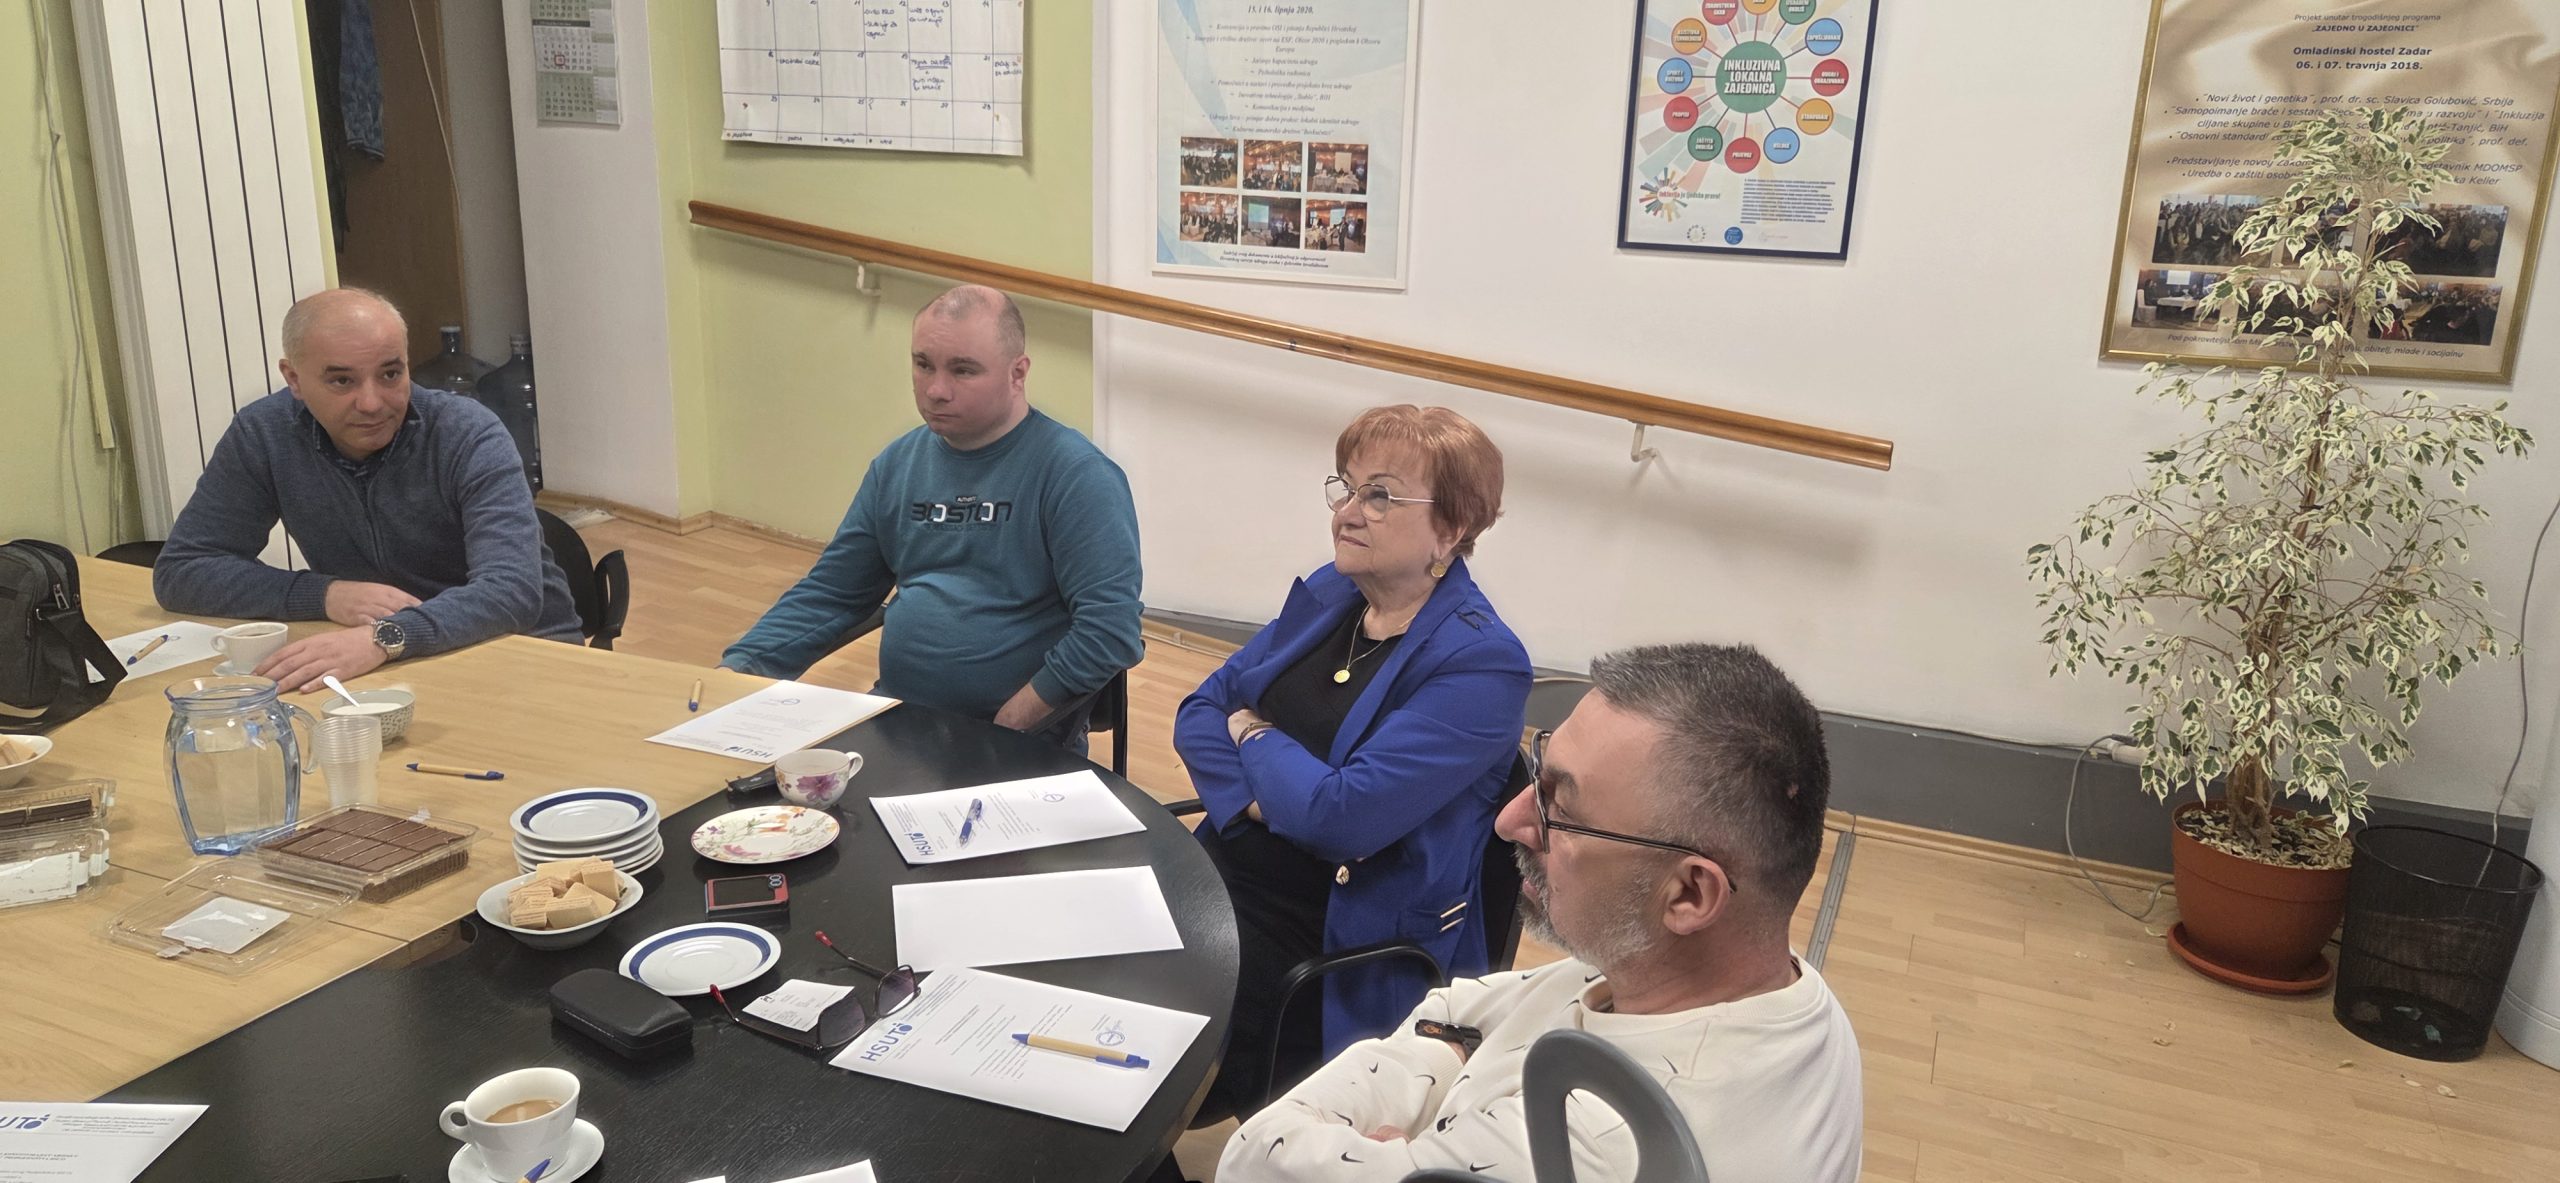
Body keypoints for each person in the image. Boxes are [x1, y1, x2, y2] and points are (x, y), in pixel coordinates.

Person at [1216, 642, 1864, 1181]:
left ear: (1691, 895)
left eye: (1560, 808)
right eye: (1538, 776)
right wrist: (1442, 1079)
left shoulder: (1592, 1140)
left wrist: (1438, 1085)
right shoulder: (1769, 990)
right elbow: (1459, 1007)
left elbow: (1254, 1159)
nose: (1510, 819)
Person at [1175, 405, 1530, 1118]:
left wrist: (1254, 735)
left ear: (1452, 527)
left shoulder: (1483, 663)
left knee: (1140, 1061)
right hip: (1220, 877)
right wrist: (1265, 801)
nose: (1347, 512)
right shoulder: (1334, 594)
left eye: (1381, 496)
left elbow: (1340, 819)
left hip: (1328, 944)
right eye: (1346, 487)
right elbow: (1200, 711)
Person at [722, 286, 1142, 740]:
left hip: (1012, 739)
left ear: (1017, 374)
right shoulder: (898, 465)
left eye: (963, 370)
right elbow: (832, 594)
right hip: (897, 720)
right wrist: (738, 672)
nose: (936, 390)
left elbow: (1109, 630)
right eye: (923, 365)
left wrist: (1010, 724)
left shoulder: (1076, 475)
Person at [154, 288, 582, 692]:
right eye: (342, 382)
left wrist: (385, 637)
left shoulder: (467, 433)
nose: (372, 403)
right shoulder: (264, 434)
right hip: (385, 664)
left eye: (391, 374)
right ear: (294, 379)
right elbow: (183, 570)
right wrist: (325, 595)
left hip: (522, 650)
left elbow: (511, 591)